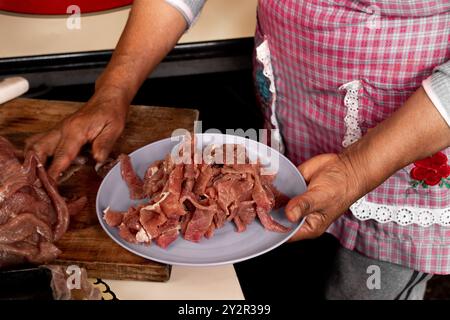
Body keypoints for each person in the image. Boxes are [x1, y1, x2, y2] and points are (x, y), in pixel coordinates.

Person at [26, 0, 450, 299]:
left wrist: (356, 171)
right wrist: (113, 89)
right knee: (288, 250)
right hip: (300, 100)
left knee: (363, 287)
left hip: (414, 135)